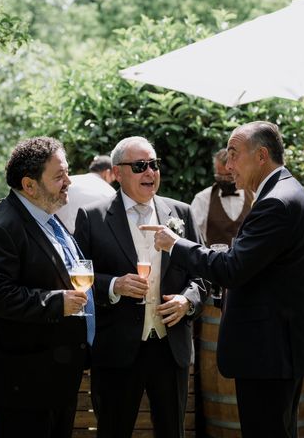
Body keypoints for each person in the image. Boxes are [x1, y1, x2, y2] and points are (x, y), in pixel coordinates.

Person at [142, 121, 304, 438]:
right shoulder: (289, 191)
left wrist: (175, 243)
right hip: (282, 345)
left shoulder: (275, 203)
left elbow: (233, 269)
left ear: (261, 155)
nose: (228, 167)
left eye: (234, 155)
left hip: (269, 351)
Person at [74, 136, 207, 438]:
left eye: (154, 164)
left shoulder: (181, 213)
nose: (150, 172)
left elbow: (203, 275)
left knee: (172, 432)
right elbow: (77, 277)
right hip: (117, 349)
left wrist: (188, 301)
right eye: (139, 166)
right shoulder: (92, 217)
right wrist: (113, 285)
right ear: (118, 173)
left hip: (170, 347)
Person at [0, 137, 95, 438]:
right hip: (21, 386)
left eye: (67, 172)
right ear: (29, 185)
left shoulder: (47, 219)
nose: (68, 182)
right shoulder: (1, 228)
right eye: (59, 176)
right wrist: (55, 303)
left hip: (53, 378)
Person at [191, 148, 254, 246]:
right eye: (220, 176)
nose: (224, 180)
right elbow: (192, 235)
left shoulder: (255, 196)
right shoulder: (203, 199)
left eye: (229, 176)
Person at [56, 155, 116, 234]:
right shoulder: (110, 193)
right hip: (83, 239)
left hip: (56, 233)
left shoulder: (69, 181)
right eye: (113, 178)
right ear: (107, 173)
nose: (111, 182)